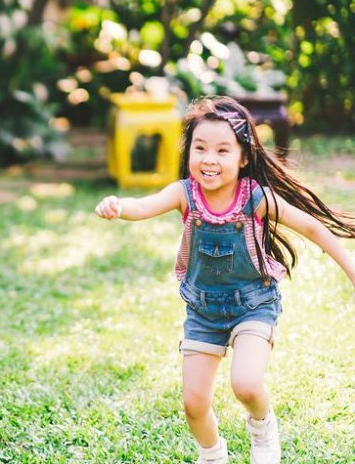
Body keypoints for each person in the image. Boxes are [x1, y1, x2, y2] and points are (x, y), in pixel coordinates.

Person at [95, 96, 355, 464]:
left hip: (254, 304)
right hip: (203, 311)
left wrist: (350, 269)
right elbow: (143, 206)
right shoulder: (185, 193)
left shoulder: (256, 199)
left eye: (222, 150)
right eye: (199, 148)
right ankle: (213, 455)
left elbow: (312, 227)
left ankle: (263, 427)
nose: (209, 159)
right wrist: (118, 206)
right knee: (194, 402)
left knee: (246, 384)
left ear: (244, 157)